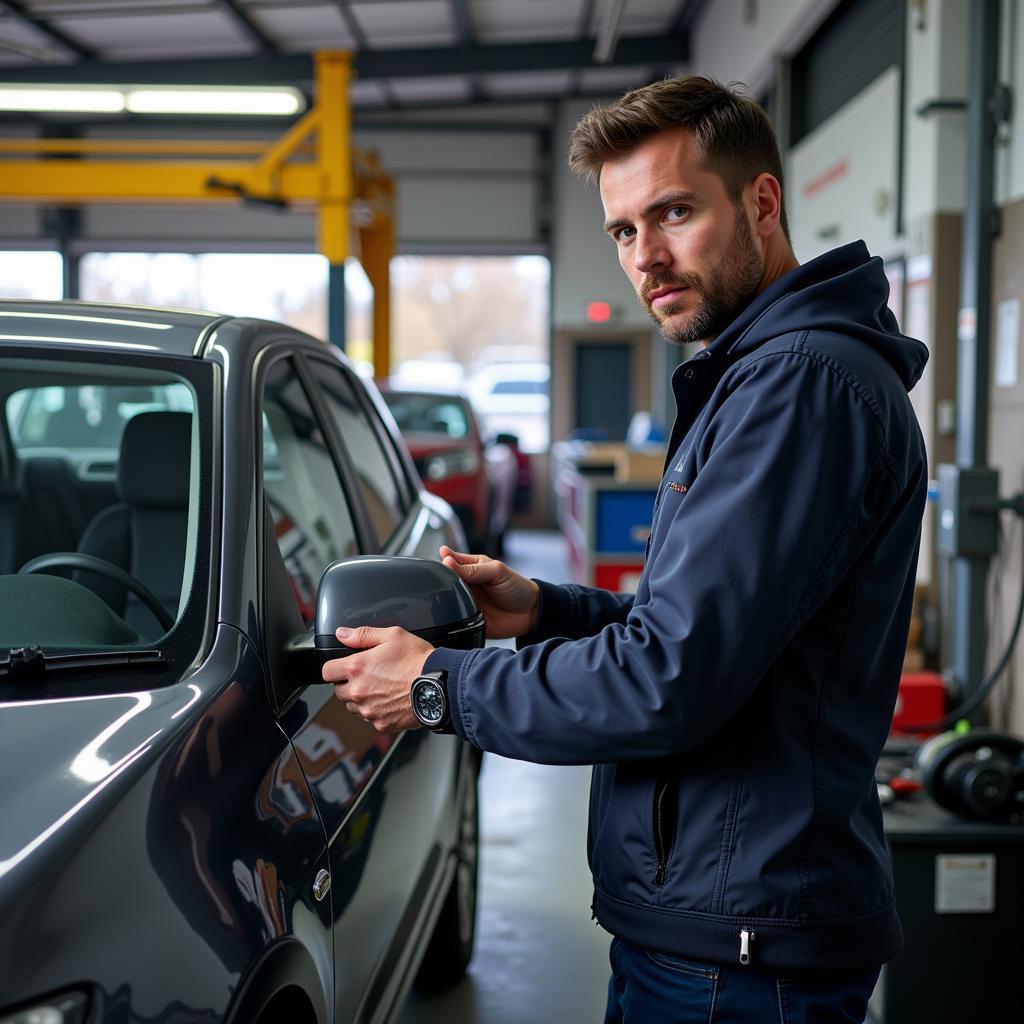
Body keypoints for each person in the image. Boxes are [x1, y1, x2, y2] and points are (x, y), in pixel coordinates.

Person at [323, 76, 928, 1023]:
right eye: (622, 231)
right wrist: (548, 610)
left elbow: (668, 679)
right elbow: (724, 637)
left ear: (761, 203)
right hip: (720, 924)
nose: (646, 258)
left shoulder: (800, 387)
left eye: (674, 212)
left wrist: (438, 684)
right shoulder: (760, 375)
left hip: (739, 951)